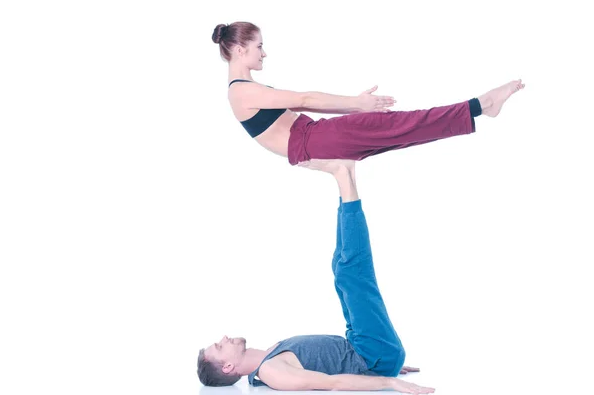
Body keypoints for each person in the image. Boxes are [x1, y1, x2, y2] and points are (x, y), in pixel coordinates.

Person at [197, 158, 436, 393]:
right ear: (228, 366)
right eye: (219, 346)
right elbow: (333, 383)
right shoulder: (272, 372)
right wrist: (388, 381)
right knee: (351, 273)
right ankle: (344, 176)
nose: (224, 337)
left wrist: (387, 368)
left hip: (370, 353)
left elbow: (331, 361)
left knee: (340, 268)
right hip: (370, 354)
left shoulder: (270, 356)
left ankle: (347, 176)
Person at [211, 21, 525, 166]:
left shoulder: (246, 91)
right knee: (404, 125)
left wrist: (356, 110)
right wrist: (356, 103)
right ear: (239, 49)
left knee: (404, 133)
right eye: (259, 46)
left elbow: (300, 117)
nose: (264, 53)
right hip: (314, 140)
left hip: (316, 138)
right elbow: (305, 99)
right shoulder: (241, 93)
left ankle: (480, 108)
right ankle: (482, 104)